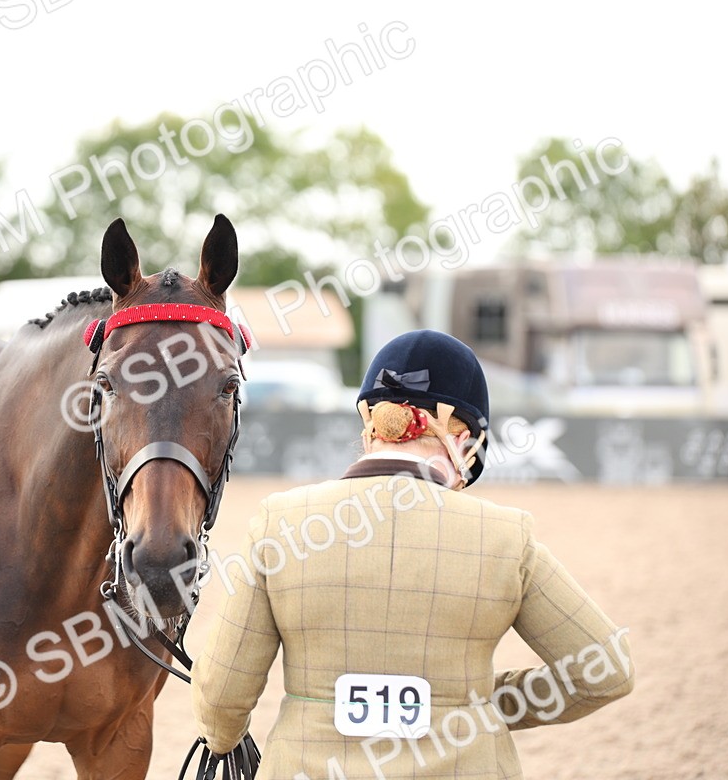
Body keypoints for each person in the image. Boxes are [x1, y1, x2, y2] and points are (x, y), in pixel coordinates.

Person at [191, 330, 634, 779]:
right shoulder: (507, 535)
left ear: (372, 429)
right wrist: (480, 702)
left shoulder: (280, 523)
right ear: (465, 442)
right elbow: (606, 670)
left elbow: (222, 698)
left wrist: (223, 735)